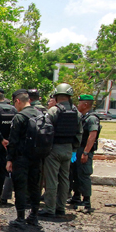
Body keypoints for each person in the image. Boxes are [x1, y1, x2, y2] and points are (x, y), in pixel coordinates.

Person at [40, 84, 82, 219]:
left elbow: (45, 131)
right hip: (69, 149)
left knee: (51, 180)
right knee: (64, 180)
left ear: (56, 96)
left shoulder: (53, 111)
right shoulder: (77, 113)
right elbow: (79, 133)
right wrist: (74, 149)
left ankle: (49, 208)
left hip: (54, 149)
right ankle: (61, 208)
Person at [6, 90, 44, 228]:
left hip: (21, 158)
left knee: (20, 187)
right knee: (35, 187)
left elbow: (13, 140)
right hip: (37, 157)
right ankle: (34, 215)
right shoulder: (40, 115)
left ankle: (20, 218)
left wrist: (9, 159)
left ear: (17, 101)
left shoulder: (19, 117)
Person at [70, 94, 101, 213]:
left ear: (86, 104)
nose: (78, 105)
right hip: (79, 149)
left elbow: (92, 135)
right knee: (76, 174)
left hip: (84, 150)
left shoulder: (92, 118)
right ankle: (76, 197)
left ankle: (86, 201)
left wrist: (86, 152)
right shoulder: (83, 117)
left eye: (80, 103)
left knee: (84, 175)